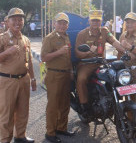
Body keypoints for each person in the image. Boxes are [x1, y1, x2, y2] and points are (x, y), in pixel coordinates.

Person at [75, 10, 127, 115]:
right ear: (89, 21)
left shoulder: (104, 31)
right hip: (87, 64)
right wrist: (88, 52)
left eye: (97, 20)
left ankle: (112, 99)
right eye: (93, 20)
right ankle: (84, 106)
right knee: (81, 79)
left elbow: (114, 41)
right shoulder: (82, 34)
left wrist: (124, 51)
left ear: (101, 21)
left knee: (114, 77)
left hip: (100, 62)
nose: (95, 23)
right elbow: (78, 53)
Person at [0, 8, 36, 143]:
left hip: (24, 79)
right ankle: (5, 140)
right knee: (7, 114)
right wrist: (6, 53)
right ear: (8, 22)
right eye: (14, 19)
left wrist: (32, 78)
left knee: (23, 110)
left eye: (20, 19)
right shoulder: (2, 38)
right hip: (7, 80)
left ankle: (20, 136)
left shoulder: (25, 39)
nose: (17, 22)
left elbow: (30, 61)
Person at [41, 12, 74, 143]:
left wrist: (71, 70)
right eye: (59, 22)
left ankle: (61, 128)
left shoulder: (66, 37)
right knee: (53, 105)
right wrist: (59, 52)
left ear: (67, 25)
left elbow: (68, 56)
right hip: (54, 74)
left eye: (65, 23)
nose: (62, 25)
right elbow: (44, 57)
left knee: (65, 103)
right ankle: (50, 133)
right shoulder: (49, 38)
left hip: (66, 74)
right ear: (54, 24)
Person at [118, 12, 136, 116]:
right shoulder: (123, 35)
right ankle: (131, 123)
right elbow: (119, 52)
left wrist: (131, 48)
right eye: (127, 22)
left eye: (132, 22)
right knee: (128, 96)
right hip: (126, 71)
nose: (129, 24)